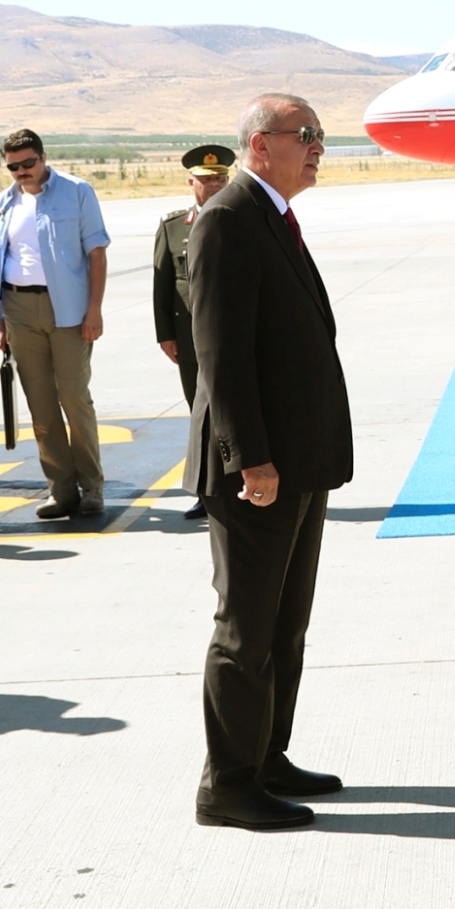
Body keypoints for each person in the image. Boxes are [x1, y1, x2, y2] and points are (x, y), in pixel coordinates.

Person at [187, 93, 354, 831]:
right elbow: (220, 354)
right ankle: (227, 784)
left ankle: (266, 756)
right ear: (260, 144)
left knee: (285, 627)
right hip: (258, 471)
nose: (317, 147)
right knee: (245, 630)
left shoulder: (271, 215)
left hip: (297, 462)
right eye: (305, 134)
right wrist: (250, 459)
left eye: (319, 135)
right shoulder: (227, 218)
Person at [0, 129, 112, 518]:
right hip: (18, 309)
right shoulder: (4, 202)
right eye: (13, 166)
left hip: (68, 310)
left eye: (28, 163)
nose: (21, 171)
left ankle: (92, 487)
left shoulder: (77, 191)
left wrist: (94, 309)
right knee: (40, 404)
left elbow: (97, 253)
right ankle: (61, 490)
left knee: (74, 397)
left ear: (43, 157)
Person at [155, 144, 235, 520]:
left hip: (237, 337)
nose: (215, 184)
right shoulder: (173, 227)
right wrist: (165, 334)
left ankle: (245, 485)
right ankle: (209, 493)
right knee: (200, 416)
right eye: (207, 179)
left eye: (220, 178)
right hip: (191, 340)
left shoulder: (244, 219)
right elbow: (163, 284)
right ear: (192, 182)